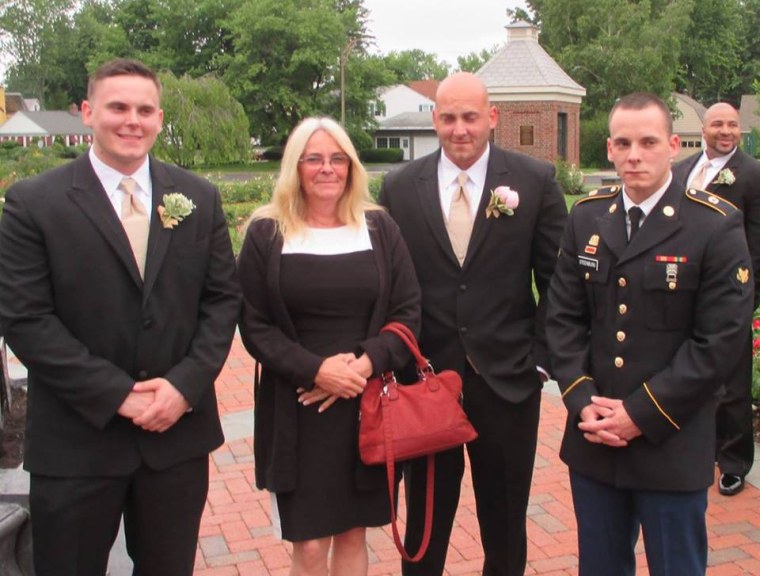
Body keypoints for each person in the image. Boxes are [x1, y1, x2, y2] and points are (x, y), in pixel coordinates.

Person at [0, 58, 241, 576]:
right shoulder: (33, 203)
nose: (133, 120)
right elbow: (25, 318)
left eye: (145, 110)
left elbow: (222, 302)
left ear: (159, 118)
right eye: (118, 107)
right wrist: (119, 396)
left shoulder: (198, 197)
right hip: (76, 444)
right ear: (87, 112)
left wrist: (183, 387)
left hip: (176, 439)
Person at [546, 92, 754, 575]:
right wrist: (582, 400)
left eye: (647, 141)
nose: (634, 154)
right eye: (623, 143)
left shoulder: (714, 224)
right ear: (610, 148)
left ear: (673, 145)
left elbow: (720, 340)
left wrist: (640, 413)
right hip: (595, 440)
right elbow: (561, 317)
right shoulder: (587, 217)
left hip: (671, 440)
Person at [379, 72, 568, 576]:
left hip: (508, 383)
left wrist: (540, 362)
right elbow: (389, 285)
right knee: (423, 528)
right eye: (448, 117)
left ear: (492, 118)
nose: (459, 129)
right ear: (435, 119)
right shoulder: (399, 187)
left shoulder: (534, 180)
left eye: (469, 117)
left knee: (505, 525)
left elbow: (558, 282)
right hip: (426, 383)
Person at [237, 116, 421, 576]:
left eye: (338, 159)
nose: (327, 169)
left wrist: (362, 366)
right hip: (298, 406)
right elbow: (254, 325)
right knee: (312, 545)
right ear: (294, 167)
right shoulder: (266, 232)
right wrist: (316, 371)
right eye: (314, 159)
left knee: (354, 533)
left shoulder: (379, 227)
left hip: (366, 403)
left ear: (351, 167)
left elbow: (408, 310)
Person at [672, 102, 760, 496]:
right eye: (718, 124)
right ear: (703, 128)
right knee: (685, 369)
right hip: (681, 288)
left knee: (733, 380)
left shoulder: (752, 173)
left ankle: (734, 461)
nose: (726, 131)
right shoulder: (680, 170)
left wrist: (749, 293)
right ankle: (697, 449)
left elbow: (757, 240)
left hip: (730, 289)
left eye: (733, 125)